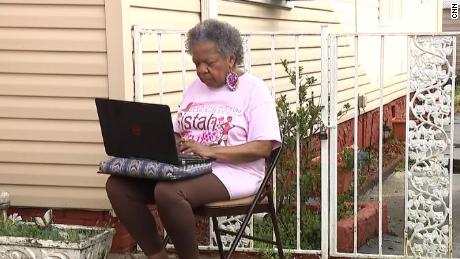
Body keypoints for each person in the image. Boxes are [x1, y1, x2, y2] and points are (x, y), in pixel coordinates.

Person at [105, 19, 281, 259]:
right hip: (186, 168)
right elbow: (180, 130)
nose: (201, 70)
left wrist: (210, 151)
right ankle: (158, 256)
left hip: (233, 171)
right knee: (118, 186)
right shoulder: (194, 88)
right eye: (196, 62)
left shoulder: (254, 90)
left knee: (168, 192)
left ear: (230, 58)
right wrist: (167, 142)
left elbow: (263, 147)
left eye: (208, 63)